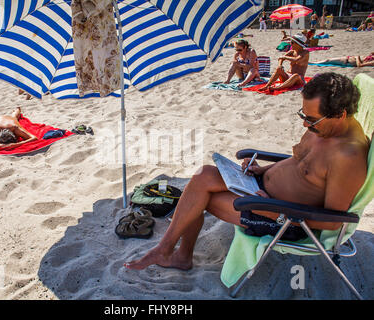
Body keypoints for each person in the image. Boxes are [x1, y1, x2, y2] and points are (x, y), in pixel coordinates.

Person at [124, 72, 369, 271]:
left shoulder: (347, 156)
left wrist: (274, 211)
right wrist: (263, 170)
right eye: (303, 115)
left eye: (311, 119)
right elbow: (299, 162)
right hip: (263, 192)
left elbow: (334, 221)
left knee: (199, 198)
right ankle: (173, 253)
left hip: (285, 218)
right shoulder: (325, 128)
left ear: (341, 114)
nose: (305, 123)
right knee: (202, 175)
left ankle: (172, 253)